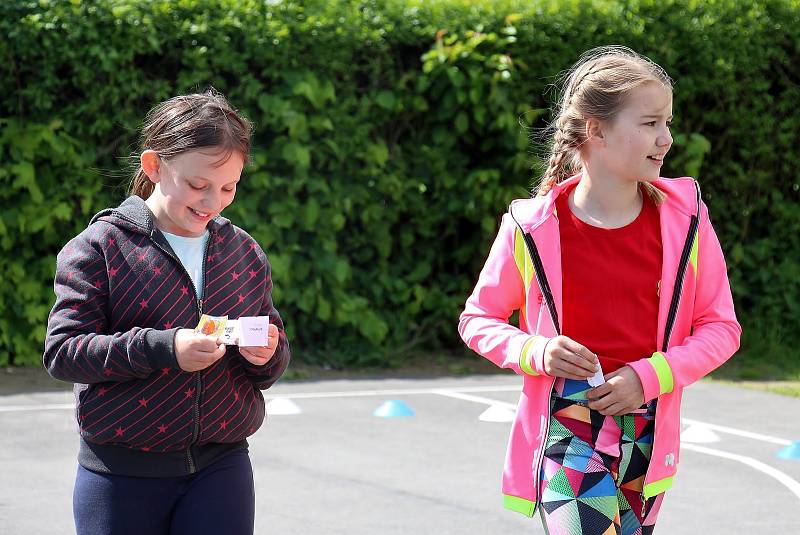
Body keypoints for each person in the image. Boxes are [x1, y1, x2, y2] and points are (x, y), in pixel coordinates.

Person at [458, 46, 740, 534]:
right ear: (597, 130)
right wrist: (535, 350)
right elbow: (477, 318)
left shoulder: (688, 221)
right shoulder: (532, 226)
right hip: (566, 426)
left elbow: (721, 329)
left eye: (667, 123)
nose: (667, 138)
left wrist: (650, 377)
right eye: (651, 123)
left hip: (646, 429)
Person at [43, 89, 290, 535]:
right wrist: (165, 347)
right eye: (198, 185)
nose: (213, 201)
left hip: (223, 466)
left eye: (229, 187)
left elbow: (270, 350)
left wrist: (267, 354)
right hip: (121, 473)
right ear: (154, 166)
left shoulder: (244, 251)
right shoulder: (100, 247)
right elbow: (64, 352)